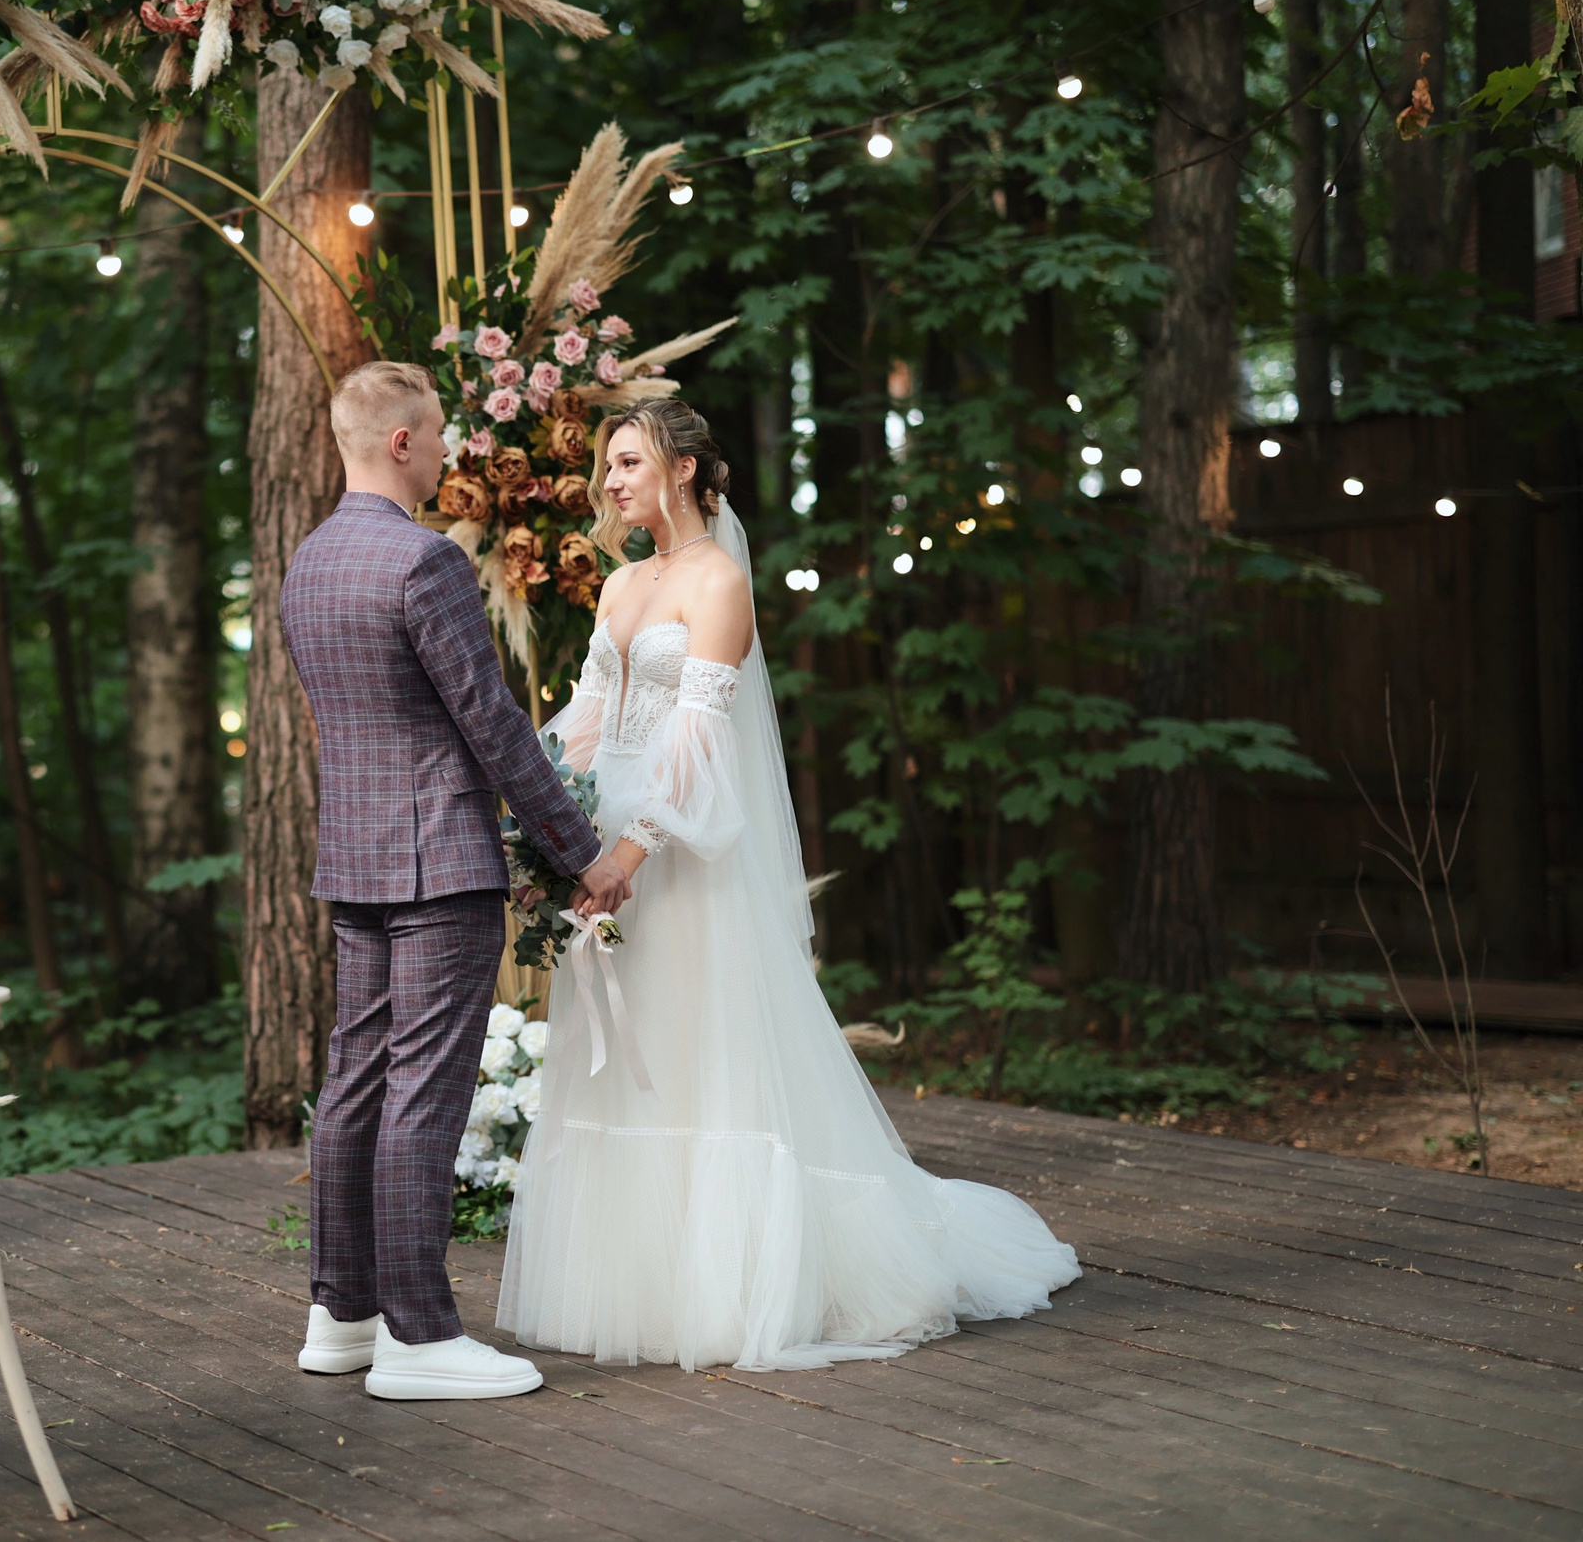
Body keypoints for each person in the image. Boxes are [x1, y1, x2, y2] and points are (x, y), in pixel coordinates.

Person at [496, 400, 1082, 1372]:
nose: (610, 480)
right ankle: (644, 1286)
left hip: (677, 856)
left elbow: (699, 740)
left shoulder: (719, 582)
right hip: (601, 849)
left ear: (684, 467)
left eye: (628, 460)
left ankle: (728, 1287)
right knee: (631, 1064)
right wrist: (538, 829)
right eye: (609, 464)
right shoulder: (622, 583)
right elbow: (588, 722)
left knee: (698, 1054)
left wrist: (626, 858)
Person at [279, 361, 634, 1401]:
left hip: (355, 858)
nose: (445, 453)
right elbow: (492, 725)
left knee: (355, 1080)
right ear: (400, 441)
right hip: (438, 859)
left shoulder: (307, 563)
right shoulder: (424, 559)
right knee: (422, 1093)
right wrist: (581, 852)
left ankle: (341, 1314)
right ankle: (420, 1336)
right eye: (436, 435)